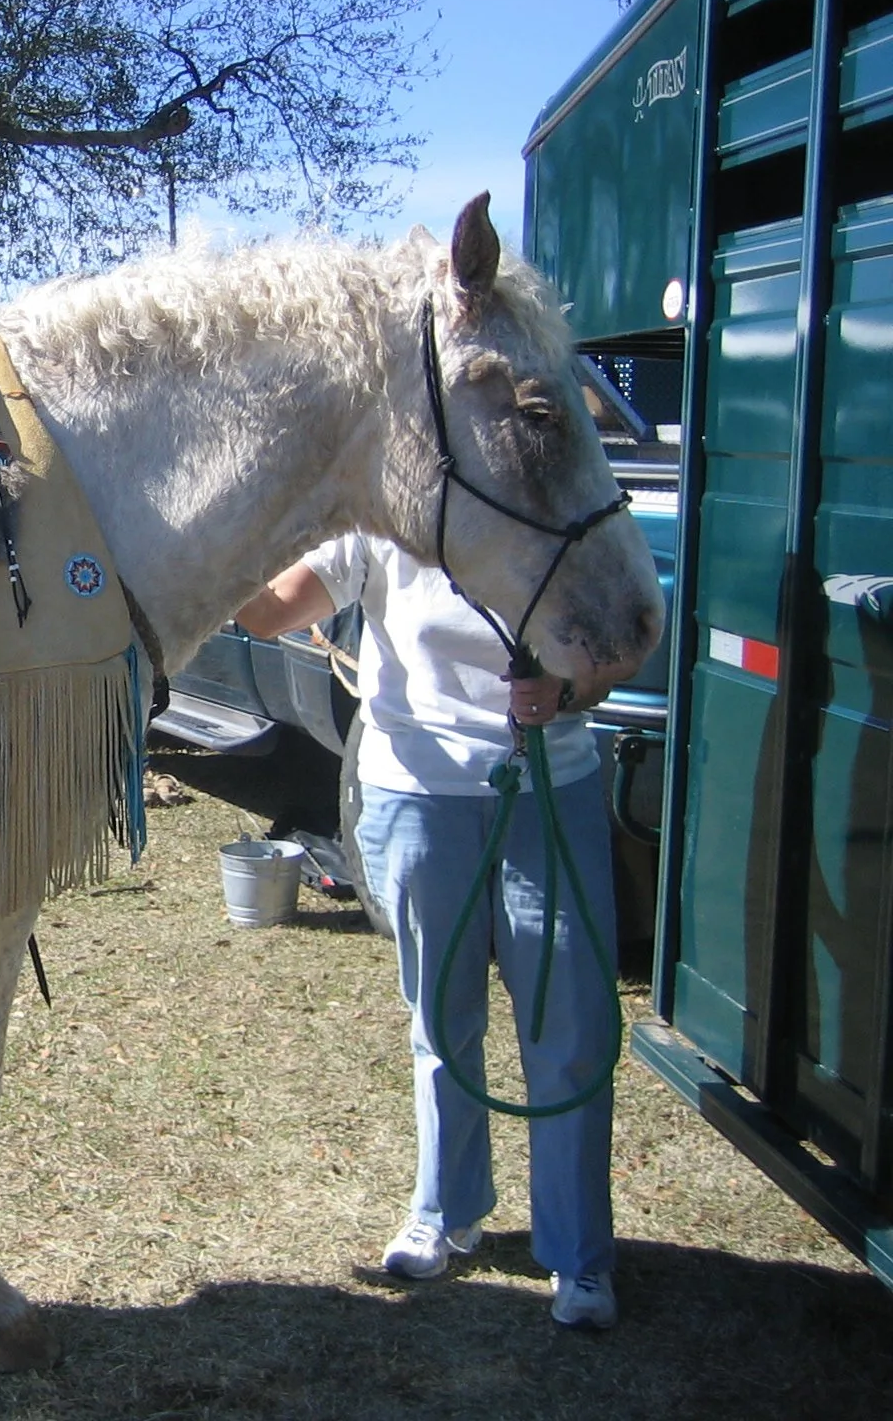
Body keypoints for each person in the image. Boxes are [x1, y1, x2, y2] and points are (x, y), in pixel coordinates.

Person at [236, 533, 621, 1330]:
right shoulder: (378, 522)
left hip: (551, 787)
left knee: (571, 1028)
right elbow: (265, 614)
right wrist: (237, 521)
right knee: (441, 1018)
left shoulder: (555, 510)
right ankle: (446, 1211)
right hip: (416, 794)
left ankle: (579, 1256)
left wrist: (570, 690)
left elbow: (627, 640)